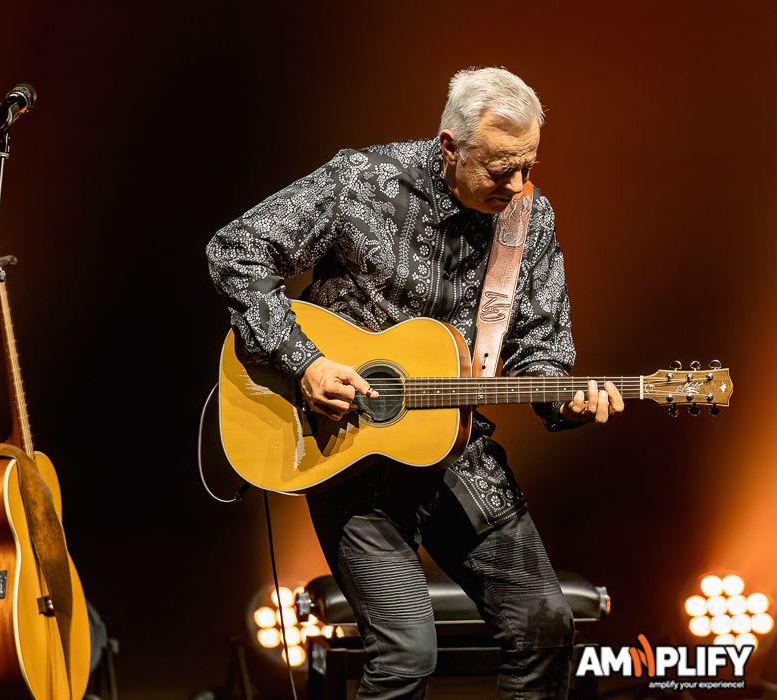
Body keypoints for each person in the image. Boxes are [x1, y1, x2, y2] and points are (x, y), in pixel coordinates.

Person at [206, 67, 623, 699]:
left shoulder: (528, 221)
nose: (516, 186)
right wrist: (306, 362)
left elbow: (541, 351)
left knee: (545, 627)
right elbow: (236, 250)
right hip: (349, 457)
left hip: (457, 450)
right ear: (450, 146)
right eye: (499, 168)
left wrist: (564, 397)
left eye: (527, 166)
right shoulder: (362, 181)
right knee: (406, 652)